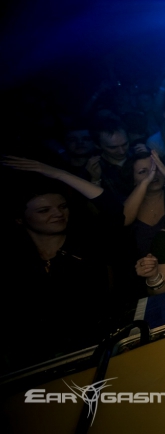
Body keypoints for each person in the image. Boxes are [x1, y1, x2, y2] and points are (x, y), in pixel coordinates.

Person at [2, 156, 132, 371]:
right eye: (44, 210)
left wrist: (59, 174)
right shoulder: (16, 262)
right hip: (41, 364)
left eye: (62, 206)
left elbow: (113, 209)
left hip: (99, 352)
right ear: (19, 219)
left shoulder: (88, 243)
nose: (58, 214)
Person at [122, 151, 165, 257]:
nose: (153, 174)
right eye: (143, 172)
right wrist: (145, 182)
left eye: (156, 168)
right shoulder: (128, 204)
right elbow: (123, 220)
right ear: (133, 179)